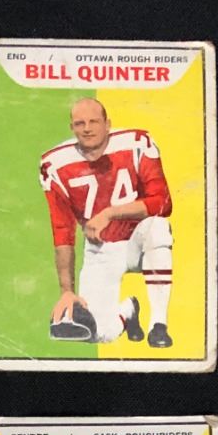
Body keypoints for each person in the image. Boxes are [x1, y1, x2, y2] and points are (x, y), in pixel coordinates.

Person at [41, 98, 174, 348]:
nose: (87, 129)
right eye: (79, 123)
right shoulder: (55, 164)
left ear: (108, 124)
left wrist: (110, 213)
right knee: (94, 333)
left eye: (94, 121)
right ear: (72, 127)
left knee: (158, 226)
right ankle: (128, 311)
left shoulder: (136, 143)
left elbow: (163, 203)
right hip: (101, 249)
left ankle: (159, 324)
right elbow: (62, 230)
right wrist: (66, 291)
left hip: (139, 241)